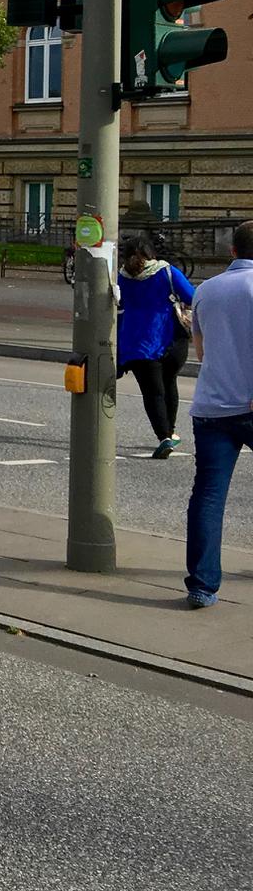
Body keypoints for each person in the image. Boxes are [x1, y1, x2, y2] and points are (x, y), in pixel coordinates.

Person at [184, 219, 253, 609]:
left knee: (209, 496)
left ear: (233, 251)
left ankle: (202, 585)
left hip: (211, 406)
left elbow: (202, 352)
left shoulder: (206, 290)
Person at [116, 232, 195, 458]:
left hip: (136, 344)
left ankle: (164, 437)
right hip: (171, 339)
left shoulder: (121, 278)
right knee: (170, 383)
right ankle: (171, 431)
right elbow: (192, 296)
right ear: (151, 252)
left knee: (153, 394)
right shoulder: (167, 272)